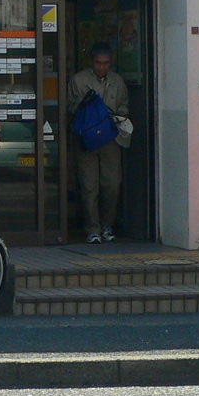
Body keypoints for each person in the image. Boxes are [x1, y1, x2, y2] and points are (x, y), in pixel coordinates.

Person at [67, 41, 131, 244]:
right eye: (98, 63)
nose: (102, 67)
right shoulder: (79, 80)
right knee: (89, 185)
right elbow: (69, 108)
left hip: (110, 138)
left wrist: (117, 117)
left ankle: (107, 225)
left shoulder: (117, 81)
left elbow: (124, 106)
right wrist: (84, 105)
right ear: (91, 62)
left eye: (106, 63)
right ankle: (92, 228)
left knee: (112, 183)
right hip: (87, 139)